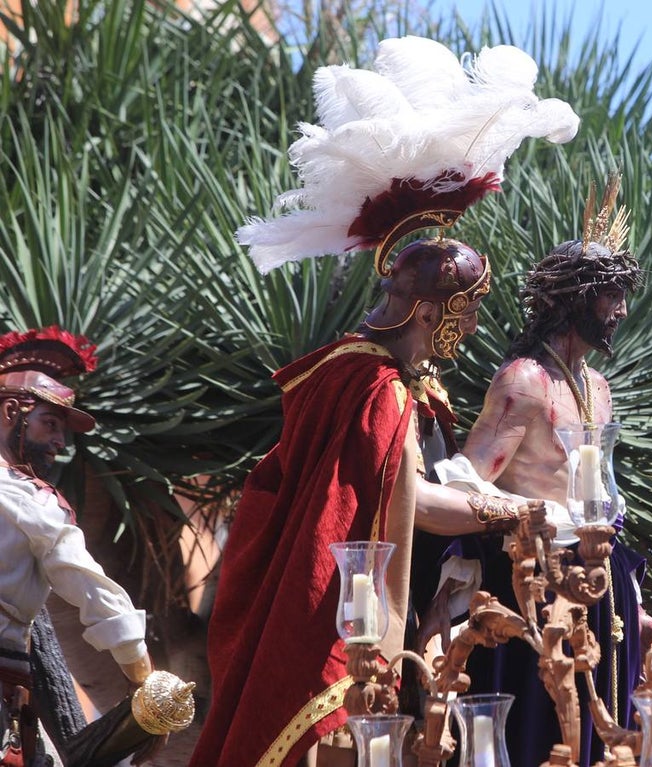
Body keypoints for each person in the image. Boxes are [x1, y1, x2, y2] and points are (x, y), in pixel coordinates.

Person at [189, 238, 531, 767]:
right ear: (427, 312)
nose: (474, 328)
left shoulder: (394, 381)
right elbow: (412, 503)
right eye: (467, 312)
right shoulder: (373, 385)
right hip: (341, 621)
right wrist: (519, 512)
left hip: (397, 616)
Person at [430, 178, 652, 767]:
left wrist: (631, 599)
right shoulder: (524, 382)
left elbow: (600, 495)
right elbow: (466, 480)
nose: (622, 310)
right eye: (611, 296)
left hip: (602, 586)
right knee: (542, 737)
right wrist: (526, 526)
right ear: (575, 298)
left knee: (605, 734)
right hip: (533, 592)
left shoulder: (598, 389)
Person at [0, 327, 154, 766]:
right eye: (50, 423)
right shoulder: (27, 499)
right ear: (12, 411)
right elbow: (90, 589)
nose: (60, 443)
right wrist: (145, 676)